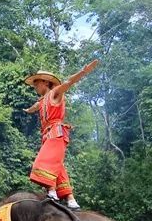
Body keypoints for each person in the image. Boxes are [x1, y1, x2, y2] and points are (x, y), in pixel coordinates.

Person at [23, 59, 99, 210]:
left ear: (45, 82)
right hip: (47, 135)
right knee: (58, 167)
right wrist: (28, 110)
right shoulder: (42, 100)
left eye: (37, 83)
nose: (35, 87)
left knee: (43, 162)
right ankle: (71, 199)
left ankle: (52, 192)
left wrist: (84, 71)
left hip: (56, 133)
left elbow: (69, 82)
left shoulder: (55, 93)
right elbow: (35, 106)